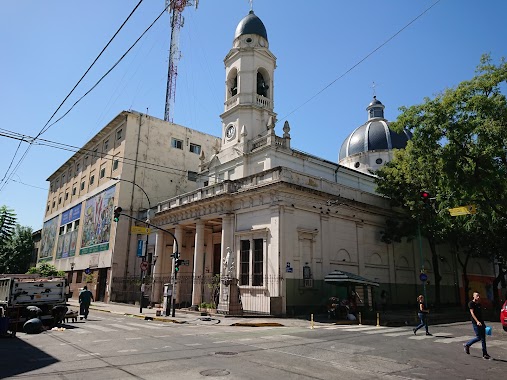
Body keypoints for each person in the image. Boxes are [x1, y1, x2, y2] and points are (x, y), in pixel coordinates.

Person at [463, 291, 491, 360]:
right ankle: (467, 345)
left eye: (479, 296)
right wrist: (477, 321)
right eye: (477, 296)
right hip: (475, 323)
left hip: (481, 323)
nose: (478, 297)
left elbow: (480, 315)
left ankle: (485, 354)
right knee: (479, 337)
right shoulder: (471, 303)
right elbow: (472, 313)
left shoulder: (479, 304)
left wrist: (483, 323)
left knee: (483, 338)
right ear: (473, 296)